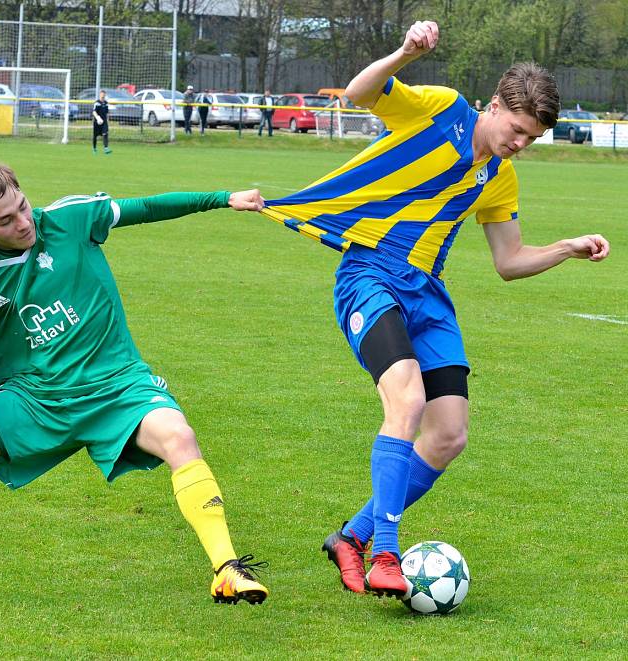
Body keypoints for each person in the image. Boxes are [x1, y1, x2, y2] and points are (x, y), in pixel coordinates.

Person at [261, 20, 609, 599]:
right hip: (369, 273)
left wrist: (567, 249)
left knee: (448, 434)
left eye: (532, 139)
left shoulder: (500, 177)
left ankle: (352, 537)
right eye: (517, 130)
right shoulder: (441, 110)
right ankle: (387, 555)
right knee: (407, 398)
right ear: (495, 105)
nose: (520, 143)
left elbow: (510, 260)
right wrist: (404, 52)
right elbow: (359, 94)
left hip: (427, 293)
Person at [0, 162, 270, 606]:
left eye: (22, 207)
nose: (23, 223)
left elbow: (146, 207)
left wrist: (222, 198)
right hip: (38, 399)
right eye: (5, 220)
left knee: (179, 436)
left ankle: (228, 569)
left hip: (118, 387)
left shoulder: (71, 218)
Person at [92, 90, 111, 154]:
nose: (103, 95)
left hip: (104, 121)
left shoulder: (106, 103)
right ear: (100, 95)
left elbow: (107, 112)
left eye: (104, 94)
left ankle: (106, 148)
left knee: (105, 133)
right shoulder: (97, 103)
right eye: (102, 94)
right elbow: (94, 112)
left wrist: (108, 120)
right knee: (95, 136)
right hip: (97, 122)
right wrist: (97, 118)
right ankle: (94, 148)